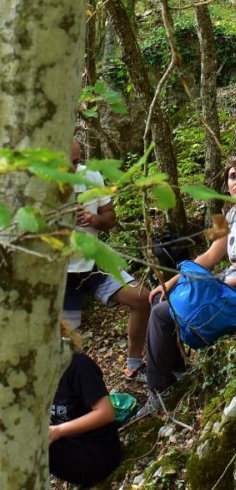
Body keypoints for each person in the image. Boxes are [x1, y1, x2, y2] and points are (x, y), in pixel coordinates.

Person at [138, 158, 236, 417]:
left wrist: (221, 283)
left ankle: (160, 391)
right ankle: (174, 372)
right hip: (234, 287)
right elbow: (208, 256)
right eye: (232, 177)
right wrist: (172, 281)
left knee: (165, 314)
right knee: (167, 302)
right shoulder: (230, 214)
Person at [64, 138, 150, 379]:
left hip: (93, 263)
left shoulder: (90, 176)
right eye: (65, 163)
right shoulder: (37, 183)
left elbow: (110, 218)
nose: (72, 168)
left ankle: (134, 365)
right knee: (64, 341)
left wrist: (94, 220)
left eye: (76, 161)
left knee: (142, 299)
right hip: (58, 273)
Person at [49, 324, 122, 486]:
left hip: (98, 455)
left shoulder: (79, 366)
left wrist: (58, 431)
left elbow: (106, 413)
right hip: (70, 447)